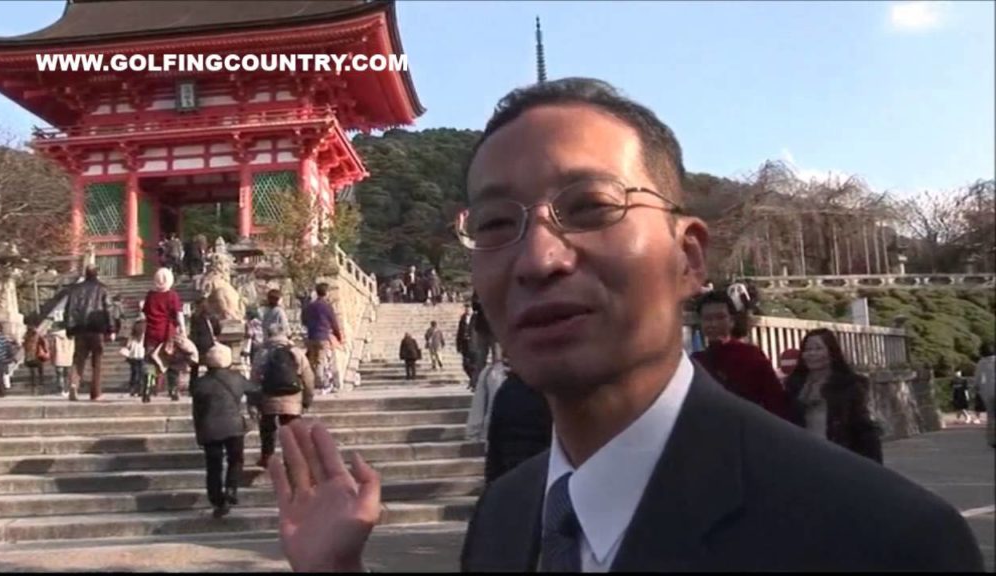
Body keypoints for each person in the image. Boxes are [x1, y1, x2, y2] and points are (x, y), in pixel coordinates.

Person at [268, 78, 983, 572]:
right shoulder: (507, 519)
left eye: (589, 207)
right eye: (494, 224)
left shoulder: (878, 539)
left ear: (689, 256)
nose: (539, 258)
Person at [784, 328, 883, 463]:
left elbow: (863, 429)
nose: (812, 354)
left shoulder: (849, 386)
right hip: (804, 457)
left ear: (831, 352)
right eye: (807, 349)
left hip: (839, 457)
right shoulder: (794, 385)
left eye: (818, 348)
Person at [691, 290, 792, 421]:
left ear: (732, 320)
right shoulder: (696, 361)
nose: (713, 324)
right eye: (708, 319)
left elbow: (775, 403)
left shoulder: (751, 356)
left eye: (720, 317)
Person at [190, 343, 259, 518]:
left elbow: (197, 411)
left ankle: (217, 500)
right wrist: (254, 410)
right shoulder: (237, 378)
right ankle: (231, 488)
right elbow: (255, 390)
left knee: (213, 466)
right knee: (236, 459)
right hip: (234, 426)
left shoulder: (200, 384)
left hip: (209, 428)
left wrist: (199, 434)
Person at [253, 324, 315, 469]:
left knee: (267, 429)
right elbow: (308, 379)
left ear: (268, 334)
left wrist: (254, 402)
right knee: (291, 432)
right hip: (292, 399)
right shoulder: (296, 353)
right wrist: (307, 400)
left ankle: (267, 457)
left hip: (269, 397)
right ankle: (291, 460)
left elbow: (254, 379)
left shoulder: (262, 353)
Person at [485, 371, 553, 484]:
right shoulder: (551, 389)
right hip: (538, 468)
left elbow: (494, 442)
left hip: (511, 470)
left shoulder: (507, 389)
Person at [64, 266, 116, 401]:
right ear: (97, 274)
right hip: (97, 329)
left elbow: (70, 309)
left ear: (85, 274)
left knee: (78, 359)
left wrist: (69, 329)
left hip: (80, 329)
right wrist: (111, 329)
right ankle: (96, 392)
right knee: (97, 361)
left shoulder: (75, 289)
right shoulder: (103, 288)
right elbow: (108, 309)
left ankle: (74, 384)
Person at [142, 267, 183, 403]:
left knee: (149, 361)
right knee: (172, 361)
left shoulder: (150, 295)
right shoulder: (173, 295)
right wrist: (182, 329)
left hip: (151, 331)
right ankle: (173, 390)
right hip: (168, 332)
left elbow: (145, 311)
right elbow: (178, 314)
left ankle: (147, 389)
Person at [300, 283, 344, 393]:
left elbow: (303, 320)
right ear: (327, 293)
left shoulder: (310, 306)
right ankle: (319, 383)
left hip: (311, 336)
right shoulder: (327, 306)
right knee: (320, 361)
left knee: (311, 361)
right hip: (322, 336)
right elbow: (333, 322)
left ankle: (310, 382)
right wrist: (338, 336)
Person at [465, 356, 509, 443]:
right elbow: (478, 405)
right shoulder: (490, 373)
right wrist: (473, 432)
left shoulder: (532, 371)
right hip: (497, 436)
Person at [189, 296, 222, 387]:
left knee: (194, 367)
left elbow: (192, 331)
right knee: (211, 365)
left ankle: (193, 385)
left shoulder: (195, 317)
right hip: (209, 344)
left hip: (197, 344)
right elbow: (218, 330)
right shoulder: (212, 316)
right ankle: (212, 384)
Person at [973, 342, 995, 447]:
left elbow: (977, 379)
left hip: (987, 392)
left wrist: (977, 389)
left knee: (991, 416)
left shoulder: (981, 363)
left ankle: (992, 439)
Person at [21, 324, 50, 396]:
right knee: (40, 371)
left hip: (29, 357)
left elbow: (24, 346)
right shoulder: (37, 336)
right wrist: (46, 351)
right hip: (38, 355)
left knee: (33, 372)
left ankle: (34, 387)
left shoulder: (26, 337)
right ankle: (41, 385)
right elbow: (44, 343)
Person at [50, 326, 75, 397]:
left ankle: (60, 390)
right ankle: (66, 390)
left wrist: (52, 357)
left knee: (59, 375)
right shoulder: (71, 336)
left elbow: (52, 347)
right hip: (68, 357)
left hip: (59, 357)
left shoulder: (56, 337)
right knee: (66, 375)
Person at [123, 321, 146, 397]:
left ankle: (132, 389)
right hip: (142, 355)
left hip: (133, 356)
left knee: (134, 373)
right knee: (141, 373)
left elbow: (128, 345)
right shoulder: (144, 335)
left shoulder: (132, 336)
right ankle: (141, 389)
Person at [456, 303, 475, 385]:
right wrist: (458, 345)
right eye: (466, 309)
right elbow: (459, 332)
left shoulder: (476, 318)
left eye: (469, 308)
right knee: (465, 364)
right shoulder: (462, 319)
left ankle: (474, 381)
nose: (467, 310)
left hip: (474, 345)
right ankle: (472, 378)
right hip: (465, 344)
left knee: (474, 364)